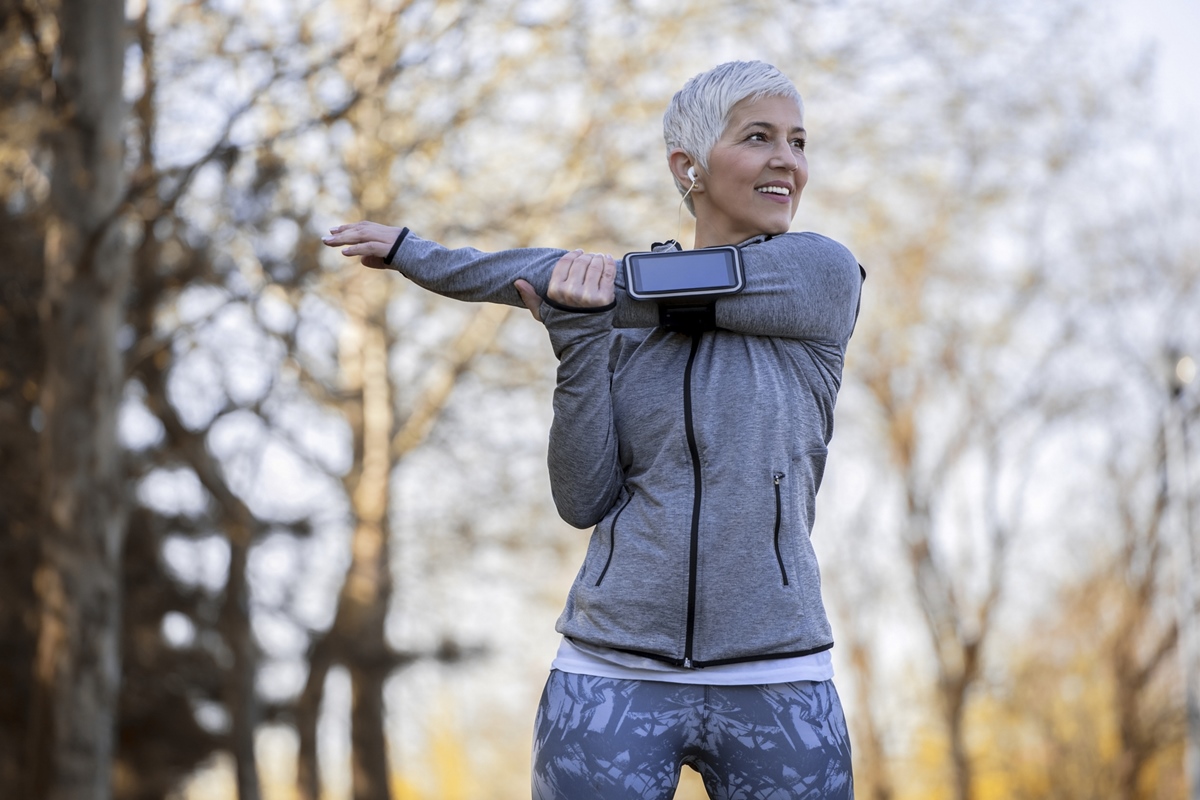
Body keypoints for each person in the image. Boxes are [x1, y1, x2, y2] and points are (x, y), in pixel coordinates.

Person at [324, 60, 863, 800]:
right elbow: (583, 498)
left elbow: (621, 284)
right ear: (690, 167)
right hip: (610, 674)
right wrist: (579, 343)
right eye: (759, 137)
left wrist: (424, 255)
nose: (787, 160)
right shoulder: (621, 325)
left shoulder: (821, 275)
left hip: (779, 674)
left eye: (799, 143)